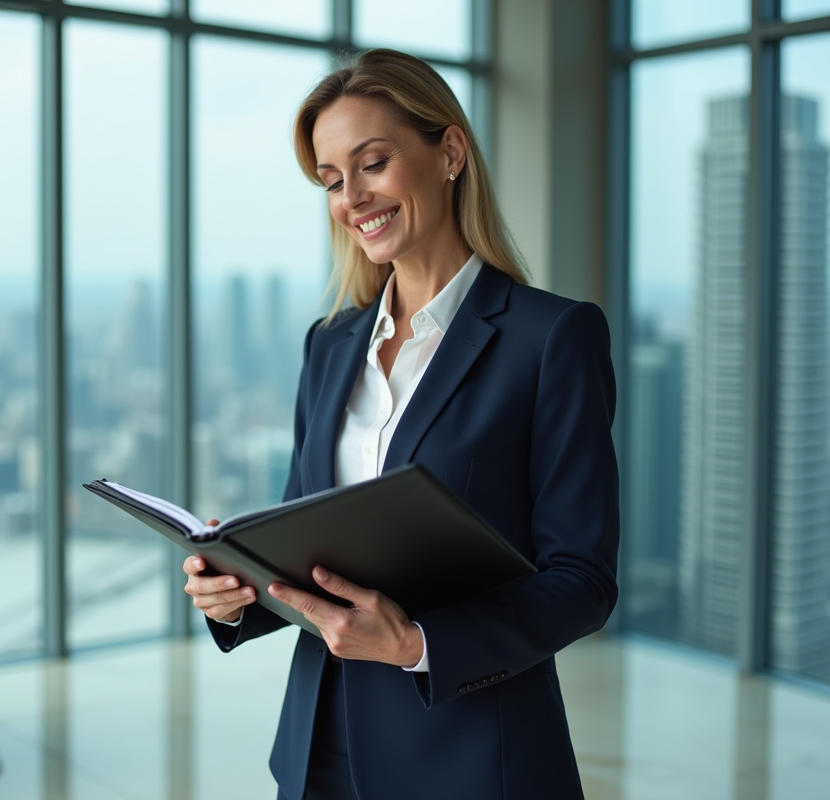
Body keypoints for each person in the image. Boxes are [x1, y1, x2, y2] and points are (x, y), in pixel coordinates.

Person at [181, 48, 619, 800]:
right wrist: (239, 590)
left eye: (372, 163)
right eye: (329, 180)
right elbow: (302, 541)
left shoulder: (551, 339)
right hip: (319, 751)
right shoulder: (330, 345)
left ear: (449, 152)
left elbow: (582, 580)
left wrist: (417, 644)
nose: (351, 197)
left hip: (472, 758)